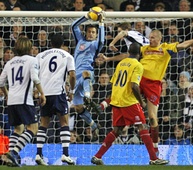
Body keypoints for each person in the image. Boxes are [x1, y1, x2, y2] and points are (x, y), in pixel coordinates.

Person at [100, 29, 193, 156]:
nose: (151, 40)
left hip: (154, 85)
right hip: (140, 79)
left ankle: (155, 147)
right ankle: (103, 104)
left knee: (152, 117)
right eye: (150, 37)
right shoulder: (144, 49)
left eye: (153, 38)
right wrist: (109, 58)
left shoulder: (166, 48)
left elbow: (182, 45)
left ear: (160, 39)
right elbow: (128, 55)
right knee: (123, 88)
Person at [91, 42, 168, 165]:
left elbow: (114, 83)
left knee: (116, 130)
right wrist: (141, 101)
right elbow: (134, 85)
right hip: (129, 101)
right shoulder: (137, 65)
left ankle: (97, 156)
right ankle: (154, 158)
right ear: (140, 53)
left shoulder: (121, 63)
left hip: (117, 100)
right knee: (142, 126)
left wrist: (107, 102)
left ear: (129, 52)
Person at [0, 36, 46, 167]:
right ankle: (14, 153)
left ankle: (10, 157)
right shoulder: (32, 60)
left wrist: (7, 94)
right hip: (24, 100)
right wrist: (42, 93)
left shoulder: (10, 63)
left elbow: (1, 82)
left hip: (12, 101)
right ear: (29, 48)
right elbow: (35, 78)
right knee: (34, 128)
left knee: (18, 128)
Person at [35, 33, 76, 166]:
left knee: (43, 124)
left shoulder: (40, 56)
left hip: (44, 94)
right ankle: (65, 154)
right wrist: (72, 91)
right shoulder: (67, 56)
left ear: (50, 43)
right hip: (59, 93)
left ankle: (38, 153)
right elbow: (73, 75)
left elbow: (34, 74)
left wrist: (36, 91)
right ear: (63, 44)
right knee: (64, 122)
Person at [71, 11, 105, 139]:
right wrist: (85, 17)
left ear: (96, 35)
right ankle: (93, 124)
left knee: (86, 73)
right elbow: (73, 26)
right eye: (89, 31)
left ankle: (87, 95)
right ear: (86, 32)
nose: (90, 34)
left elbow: (102, 41)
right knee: (78, 107)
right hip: (75, 76)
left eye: (93, 32)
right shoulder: (80, 40)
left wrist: (101, 23)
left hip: (87, 72)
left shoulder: (95, 45)